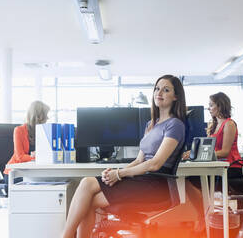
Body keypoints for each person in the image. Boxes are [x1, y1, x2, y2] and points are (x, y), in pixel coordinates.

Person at [63, 75, 197, 238]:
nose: (159, 92)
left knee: (88, 187)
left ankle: (65, 236)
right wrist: (114, 174)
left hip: (156, 185)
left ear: (176, 97)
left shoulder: (175, 125)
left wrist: (119, 174)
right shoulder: (151, 124)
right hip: (141, 180)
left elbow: (154, 164)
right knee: (88, 195)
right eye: (157, 88)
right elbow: (139, 160)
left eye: (166, 89)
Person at [183, 92, 243, 178]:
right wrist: (192, 152)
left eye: (211, 105)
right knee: (190, 177)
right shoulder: (213, 126)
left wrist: (197, 154)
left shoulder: (229, 124)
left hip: (230, 167)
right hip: (217, 166)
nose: (208, 108)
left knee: (192, 178)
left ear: (220, 106)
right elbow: (207, 149)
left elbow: (224, 152)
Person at [3, 100, 50, 179]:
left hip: (33, 172)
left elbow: (46, 154)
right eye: (46, 115)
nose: (48, 118)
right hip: (15, 173)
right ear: (39, 116)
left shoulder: (44, 131)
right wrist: (38, 157)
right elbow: (20, 157)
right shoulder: (19, 130)